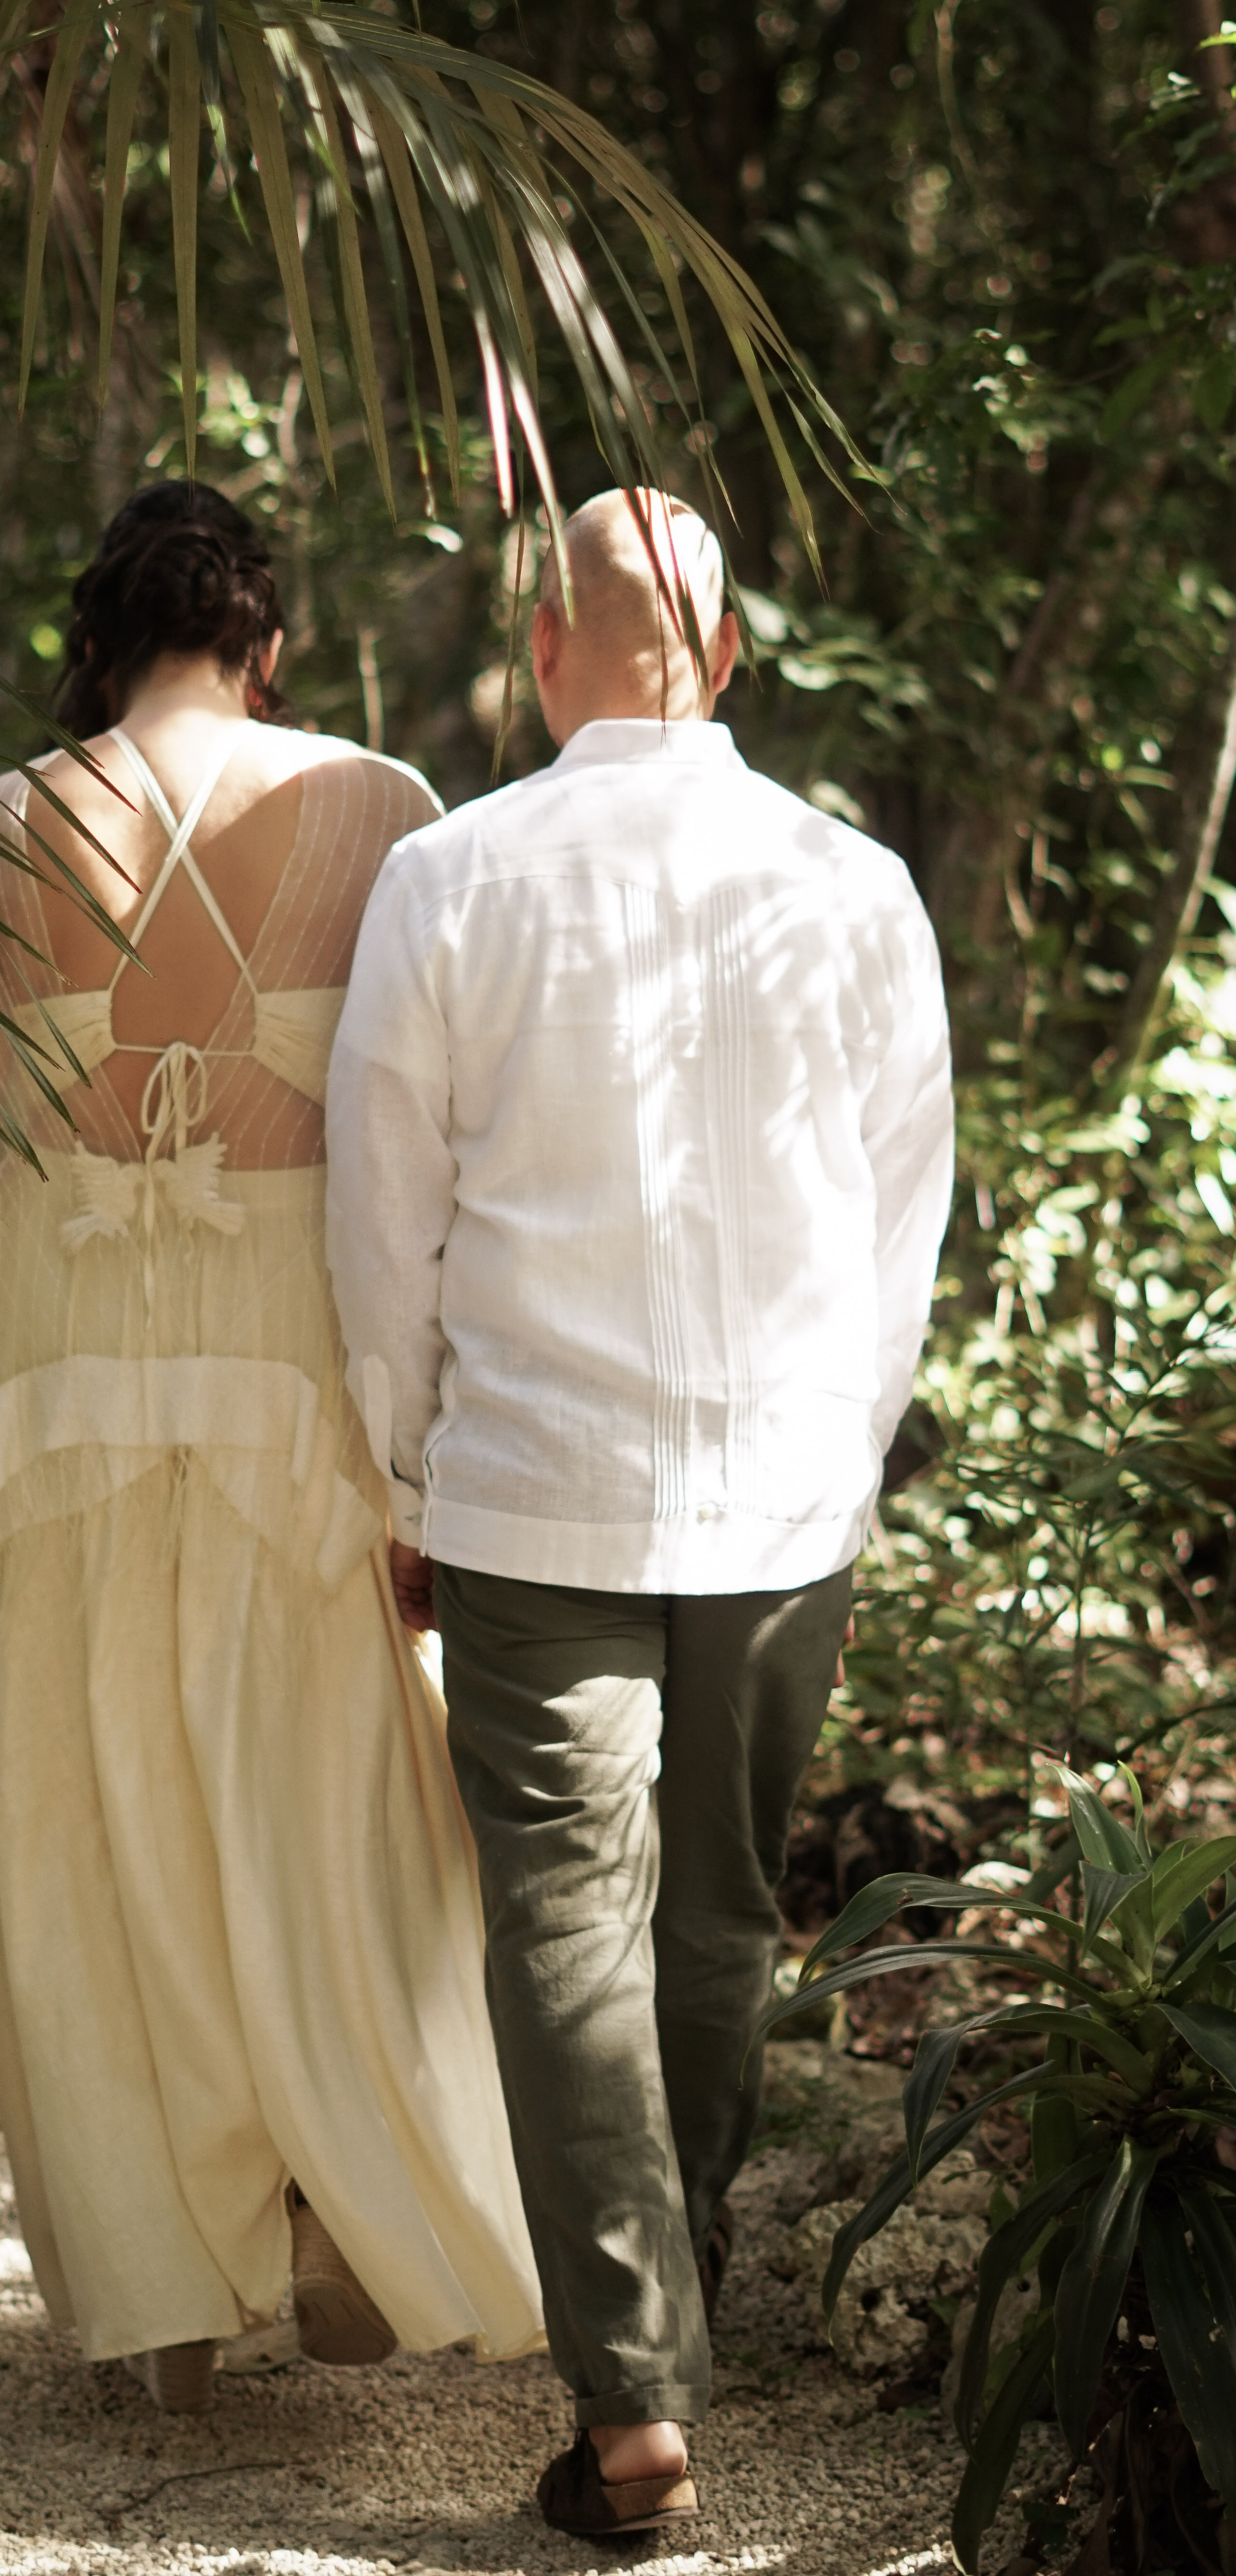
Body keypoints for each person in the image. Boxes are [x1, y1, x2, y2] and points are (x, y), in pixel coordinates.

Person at [0, 482, 544, 2413]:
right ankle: (351, 2206)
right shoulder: (384, 812)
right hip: (297, 1365)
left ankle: (156, 2288)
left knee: (84, 1796)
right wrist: (442, 1434)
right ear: (263, 635)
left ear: (99, 639)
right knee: (324, 1778)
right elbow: (452, 1139)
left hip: (55, 1360)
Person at [325, 488, 953, 2535]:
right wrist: (837, 1457)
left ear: (538, 648)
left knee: (560, 1920)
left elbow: (381, 1211)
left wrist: (400, 1457)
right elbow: (896, 1221)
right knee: (710, 1911)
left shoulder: (450, 872)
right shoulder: (852, 886)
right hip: (780, 1493)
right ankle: (651, 2344)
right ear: (732, 656)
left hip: (527, 1478)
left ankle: (631, 2390)